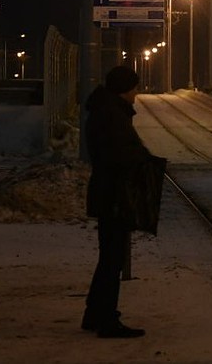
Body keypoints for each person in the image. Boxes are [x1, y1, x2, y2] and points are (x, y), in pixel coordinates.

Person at [81, 65, 157, 338]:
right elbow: (121, 156)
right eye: (134, 88)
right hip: (115, 196)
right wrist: (145, 162)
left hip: (109, 193)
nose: (137, 93)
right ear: (124, 90)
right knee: (113, 259)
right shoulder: (112, 116)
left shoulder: (107, 111)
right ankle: (107, 320)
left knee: (109, 258)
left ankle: (94, 314)